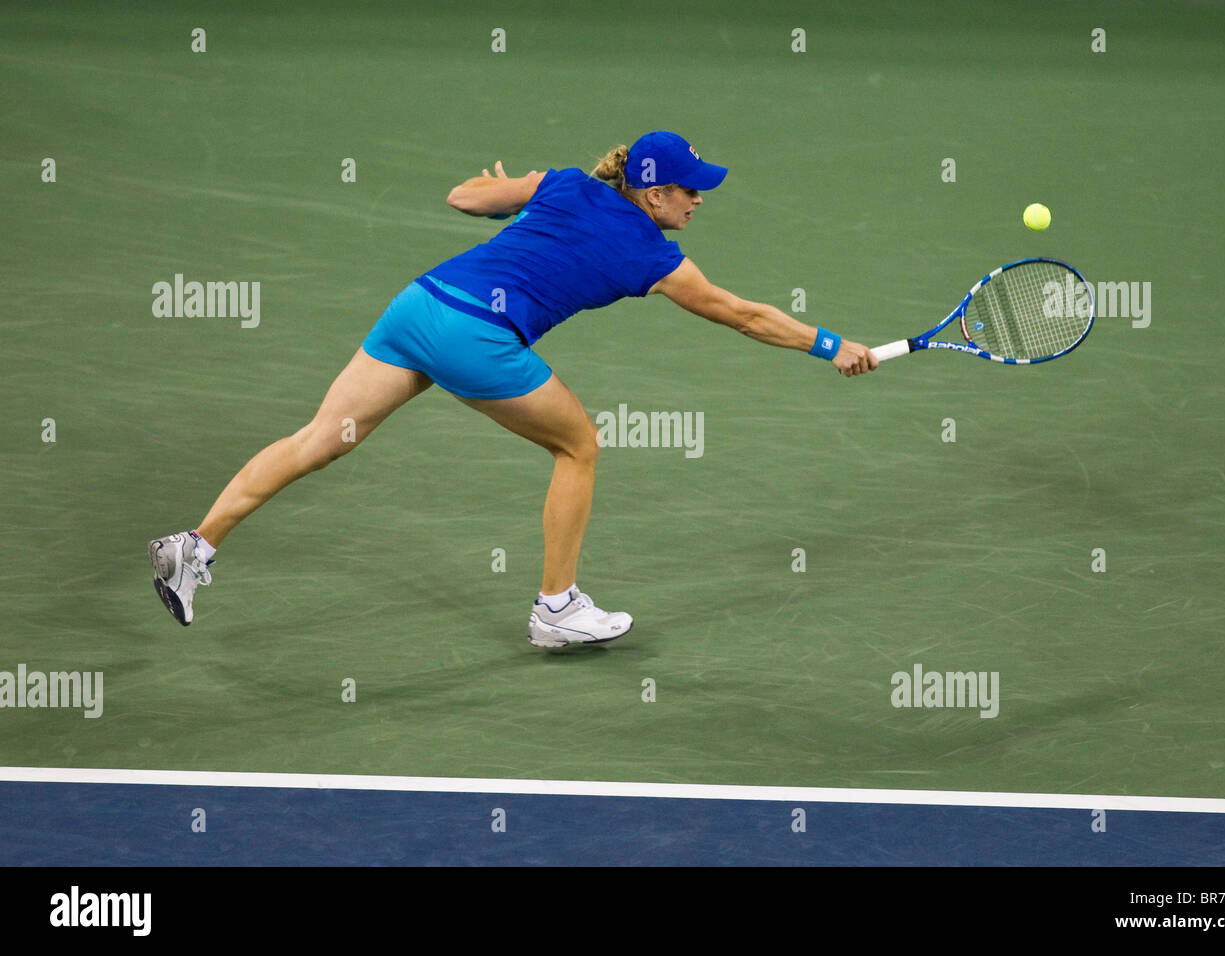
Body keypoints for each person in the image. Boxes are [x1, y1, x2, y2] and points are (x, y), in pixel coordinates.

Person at [149, 131, 878, 648]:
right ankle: (556, 609)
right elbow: (742, 314)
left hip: (419, 306)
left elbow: (463, 198)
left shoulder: (562, 185)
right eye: (691, 190)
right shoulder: (653, 255)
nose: (699, 200)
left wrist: (511, 196)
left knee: (319, 439)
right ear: (653, 194)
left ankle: (194, 545)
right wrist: (831, 346)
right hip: (477, 338)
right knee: (580, 446)